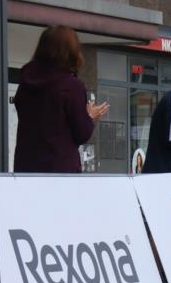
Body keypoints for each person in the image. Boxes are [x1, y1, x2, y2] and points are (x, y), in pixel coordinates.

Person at [13, 25, 110, 173]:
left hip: (26, 168)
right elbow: (81, 134)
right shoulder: (71, 86)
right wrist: (89, 116)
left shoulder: (26, 83)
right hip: (60, 172)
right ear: (71, 52)